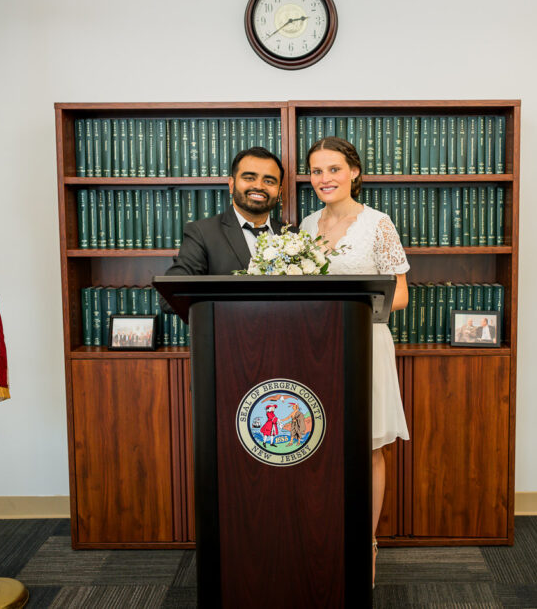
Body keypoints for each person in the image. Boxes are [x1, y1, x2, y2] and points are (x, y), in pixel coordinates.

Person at [298, 136, 409, 588]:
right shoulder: (305, 226)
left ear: (354, 173)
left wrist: (349, 303)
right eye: (317, 171)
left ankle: (367, 544)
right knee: (318, 443)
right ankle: (324, 537)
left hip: (365, 341)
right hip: (314, 346)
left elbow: (399, 294)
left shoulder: (378, 223)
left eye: (334, 169)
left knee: (369, 446)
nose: (325, 178)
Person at [166, 146, 286, 276]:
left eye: (269, 181)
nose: (258, 186)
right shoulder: (202, 233)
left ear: (279, 192)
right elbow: (176, 289)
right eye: (249, 178)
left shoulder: (294, 236)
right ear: (231, 185)